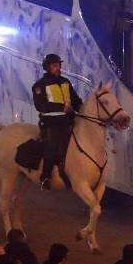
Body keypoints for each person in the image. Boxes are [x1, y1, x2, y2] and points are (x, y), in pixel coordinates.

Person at [32, 54, 83, 190]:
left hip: (67, 120)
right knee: (52, 146)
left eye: (58, 65)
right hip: (51, 121)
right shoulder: (39, 85)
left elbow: (76, 100)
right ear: (47, 67)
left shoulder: (65, 82)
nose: (57, 68)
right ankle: (45, 177)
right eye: (54, 65)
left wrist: (82, 110)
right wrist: (62, 107)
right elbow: (40, 106)